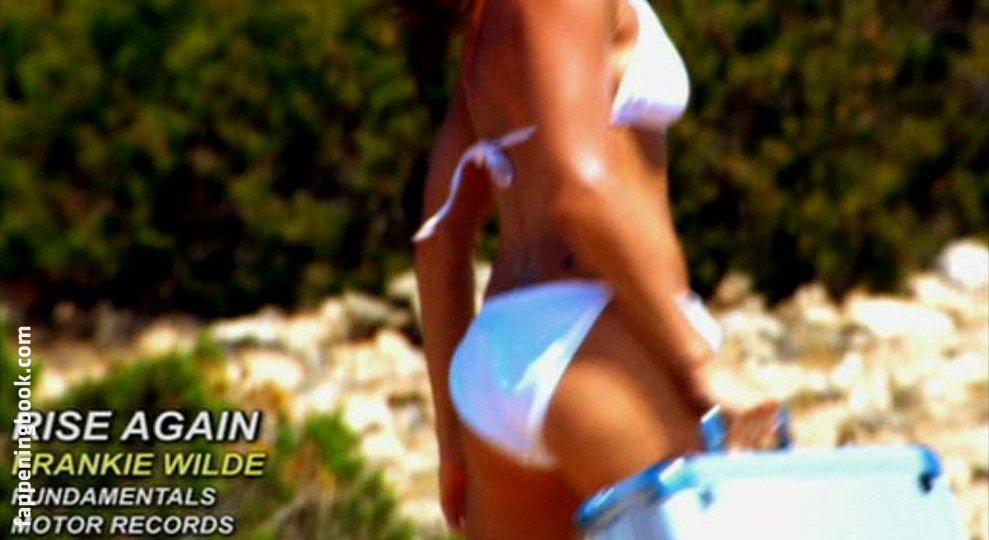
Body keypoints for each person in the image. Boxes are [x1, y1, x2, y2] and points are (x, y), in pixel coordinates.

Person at [413, 0, 779, 537]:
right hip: (593, 339)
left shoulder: (488, 27)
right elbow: (579, 190)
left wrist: (453, 440)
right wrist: (698, 362)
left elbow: (440, 239)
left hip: (501, 359)